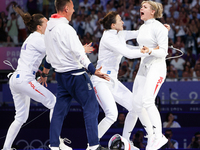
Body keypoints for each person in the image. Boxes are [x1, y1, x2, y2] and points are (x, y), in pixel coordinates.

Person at [90, 11, 171, 150]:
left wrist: (161, 30)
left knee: (135, 106)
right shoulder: (108, 37)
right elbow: (127, 52)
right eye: (120, 20)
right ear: (113, 25)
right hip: (100, 80)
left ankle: (127, 140)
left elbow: (139, 33)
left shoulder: (120, 33)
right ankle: (91, 145)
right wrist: (148, 51)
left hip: (112, 81)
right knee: (112, 114)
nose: (123, 22)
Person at [2, 6, 72, 150]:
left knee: (20, 118)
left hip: (17, 79)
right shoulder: (39, 38)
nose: (49, 25)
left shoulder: (33, 38)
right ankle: (56, 143)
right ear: (39, 27)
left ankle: (6, 148)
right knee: (54, 102)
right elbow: (56, 53)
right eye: (47, 22)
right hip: (24, 80)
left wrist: (43, 73)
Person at [43, 0, 110, 150]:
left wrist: (45, 72)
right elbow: (79, 54)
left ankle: (53, 146)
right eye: (73, 8)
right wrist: (93, 70)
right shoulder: (67, 29)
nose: (74, 11)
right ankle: (94, 146)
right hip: (77, 76)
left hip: (61, 76)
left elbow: (50, 55)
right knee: (91, 107)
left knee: (59, 111)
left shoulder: (48, 28)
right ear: (66, 8)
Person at [130, 1, 169, 149]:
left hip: (157, 66)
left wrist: (150, 51)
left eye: (145, 7)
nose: (141, 9)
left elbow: (164, 52)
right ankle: (152, 136)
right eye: (141, 6)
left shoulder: (159, 28)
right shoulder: (142, 27)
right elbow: (141, 48)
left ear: (152, 11)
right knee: (137, 103)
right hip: (144, 66)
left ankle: (159, 137)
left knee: (147, 100)